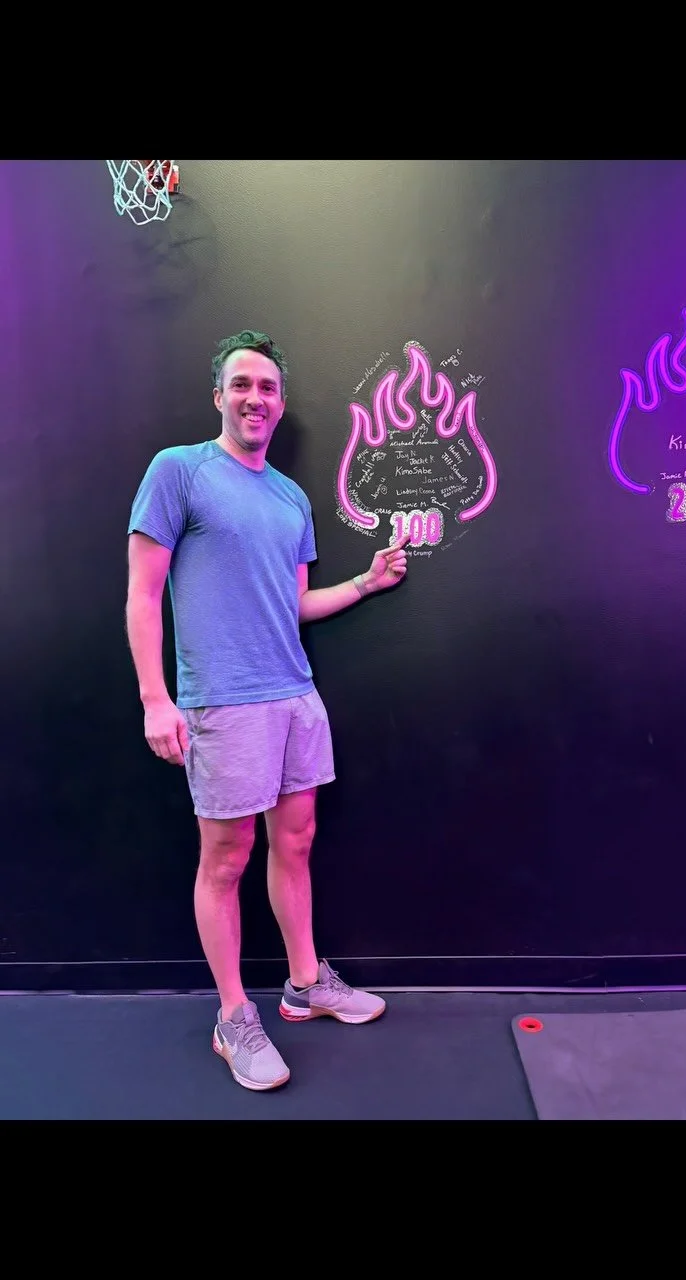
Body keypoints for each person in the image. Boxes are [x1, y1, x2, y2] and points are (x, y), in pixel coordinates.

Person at [126, 329, 409, 1091]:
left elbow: (293, 605)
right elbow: (143, 593)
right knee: (226, 859)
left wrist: (366, 583)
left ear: (281, 404)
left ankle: (305, 985)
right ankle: (232, 1016)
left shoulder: (290, 498)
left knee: (298, 841)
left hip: (294, 696)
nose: (256, 398)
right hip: (223, 703)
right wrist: (155, 698)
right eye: (243, 384)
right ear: (219, 395)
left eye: (269, 388)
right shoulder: (179, 471)